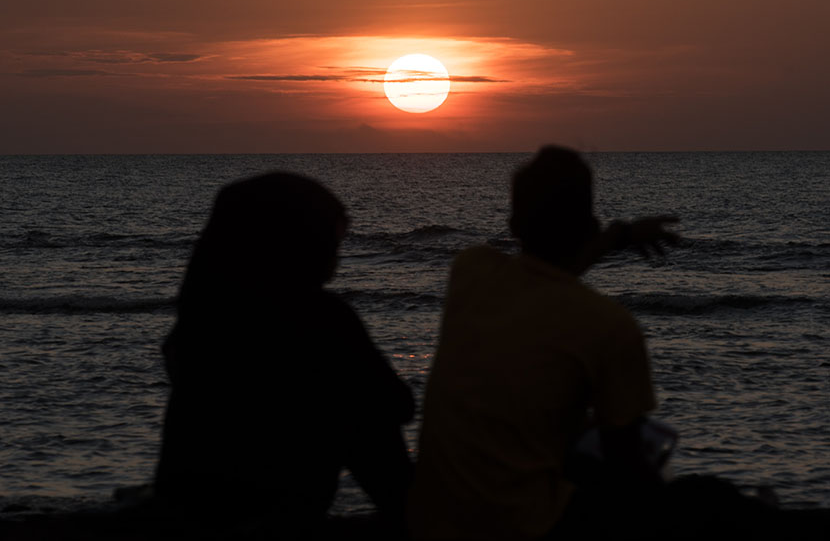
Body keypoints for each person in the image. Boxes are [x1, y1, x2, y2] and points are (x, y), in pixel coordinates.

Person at [406, 146, 679, 541]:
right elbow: (626, 467)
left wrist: (615, 238)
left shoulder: (470, 270)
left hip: (430, 522)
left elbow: (548, 277)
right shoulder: (609, 325)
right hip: (523, 528)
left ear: (514, 223)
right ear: (589, 224)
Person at [153, 172, 414, 538]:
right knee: (360, 412)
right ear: (296, 240)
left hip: (188, 511)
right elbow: (396, 405)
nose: (337, 254)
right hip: (274, 513)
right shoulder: (319, 317)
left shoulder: (201, 324)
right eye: (330, 238)